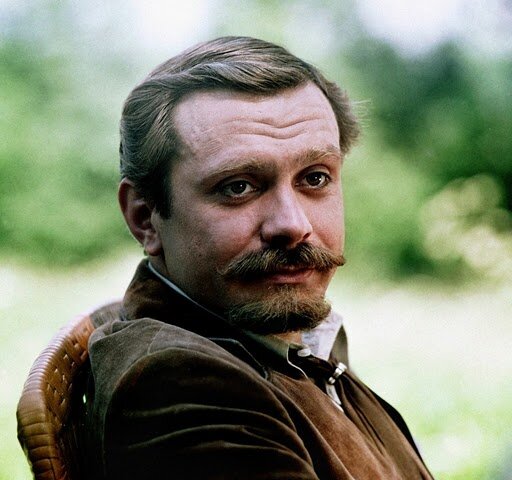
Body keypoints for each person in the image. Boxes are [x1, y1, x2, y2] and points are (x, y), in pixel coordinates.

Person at [83, 36, 434, 479]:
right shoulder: (182, 386)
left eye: (315, 178)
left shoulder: (287, 341)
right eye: (238, 187)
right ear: (145, 218)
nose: (292, 225)